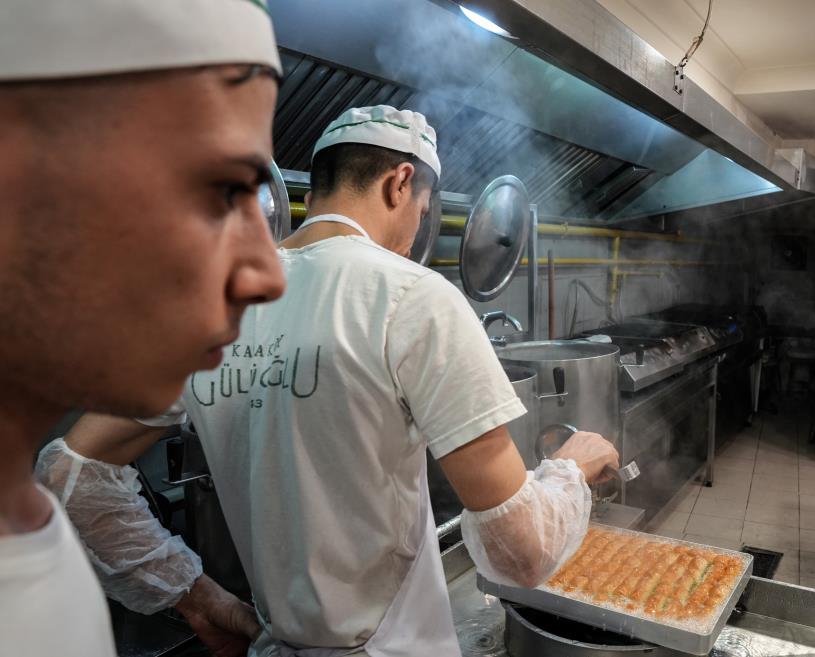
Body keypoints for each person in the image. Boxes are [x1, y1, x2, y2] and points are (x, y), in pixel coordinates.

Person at [37, 105, 620, 657]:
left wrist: (202, 600)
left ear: (313, 192)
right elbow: (520, 552)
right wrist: (573, 471)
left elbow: (69, 471)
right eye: (423, 214)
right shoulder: (414, 298)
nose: (416, 234)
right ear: (400, 182)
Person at [0, 2, 288, 656]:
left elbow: (74, 468)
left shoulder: (29, 531)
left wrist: (201, 597)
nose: (269, 274)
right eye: (219, 188)